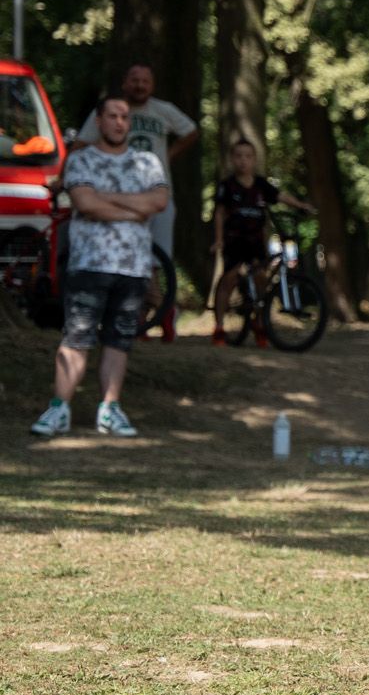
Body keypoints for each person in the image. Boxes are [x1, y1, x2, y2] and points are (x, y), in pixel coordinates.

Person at [30, 96, 167, 439]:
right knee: (77, 337)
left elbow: (159, 201)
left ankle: (110, 408)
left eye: (125, 117)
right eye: (112, 116)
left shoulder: (147, 161)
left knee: (119, 340)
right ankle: (59, 407)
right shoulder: (81, 159)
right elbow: (85, 203)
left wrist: (106, 197)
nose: (120, 122)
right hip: (89, 264)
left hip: (134, 267)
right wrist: (134, 209)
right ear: (99, 120)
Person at [74, 63, 196, 262]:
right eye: (135, 80)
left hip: (156, 190)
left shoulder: (163, 110)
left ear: (153, 85)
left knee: (158, 259)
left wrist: (168, 156)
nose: (140, 85)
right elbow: (81, 143)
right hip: (118, 191)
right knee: (119, 253)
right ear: (125, 83)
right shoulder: (109, 111)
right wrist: (63, 176)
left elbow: (190, 131)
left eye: (145, 81)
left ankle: (152, 282)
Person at [208, 137, 316, 346]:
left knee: (260, 279)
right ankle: (219, 327)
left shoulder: (261, 185)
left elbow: (281, 196)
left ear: (254, 159)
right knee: (229, 279)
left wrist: (301, 206)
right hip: (234, 239)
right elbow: (219, 213)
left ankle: (259, 321)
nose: (243, 161)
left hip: (256, 240)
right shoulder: (227, 186)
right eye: (238, 156)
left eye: (248, 156)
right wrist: (219, 240)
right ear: (232, 159)